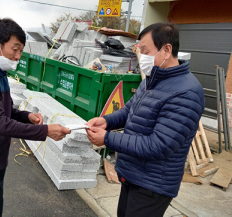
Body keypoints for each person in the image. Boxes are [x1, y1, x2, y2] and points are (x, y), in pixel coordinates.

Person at [86, 22, 205, 217]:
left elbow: (158, 145)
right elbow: (129, 110)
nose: (142, 56)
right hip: (133, 173)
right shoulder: (152, 79)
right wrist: (106, 121)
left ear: (166, 50)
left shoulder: (186, 93)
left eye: (145, 50)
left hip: (153, 185)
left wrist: (107, 139)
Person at [0, 18, 70, 217]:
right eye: (14, 49)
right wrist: (45, 131)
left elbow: (5, 111)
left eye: (21, 51)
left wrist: (28, 116)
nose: (18, 56)